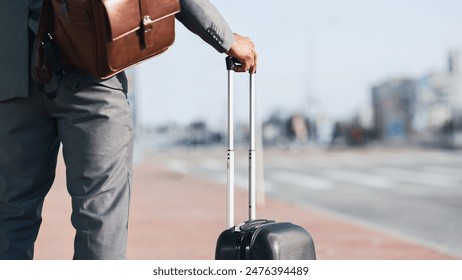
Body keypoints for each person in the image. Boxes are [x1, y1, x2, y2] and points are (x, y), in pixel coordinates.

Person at [0, 0, 257, 260]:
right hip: (89, 67)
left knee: (11, 215)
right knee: (99, 218)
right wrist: (225, 37)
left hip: (13, 74)